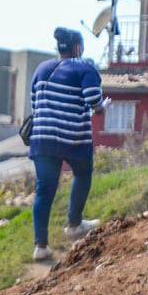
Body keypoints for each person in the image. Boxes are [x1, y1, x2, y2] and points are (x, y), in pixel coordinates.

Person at [28, 26, 105, 261]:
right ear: (78, 48)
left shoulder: (41, 69)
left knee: (45, 189)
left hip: (43, 139)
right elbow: (93, 99)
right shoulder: (85, 67)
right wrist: (101, 108)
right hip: (73, 137)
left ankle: (41, 246)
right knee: (82, 173)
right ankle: (74, 224)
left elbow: (35, 104)